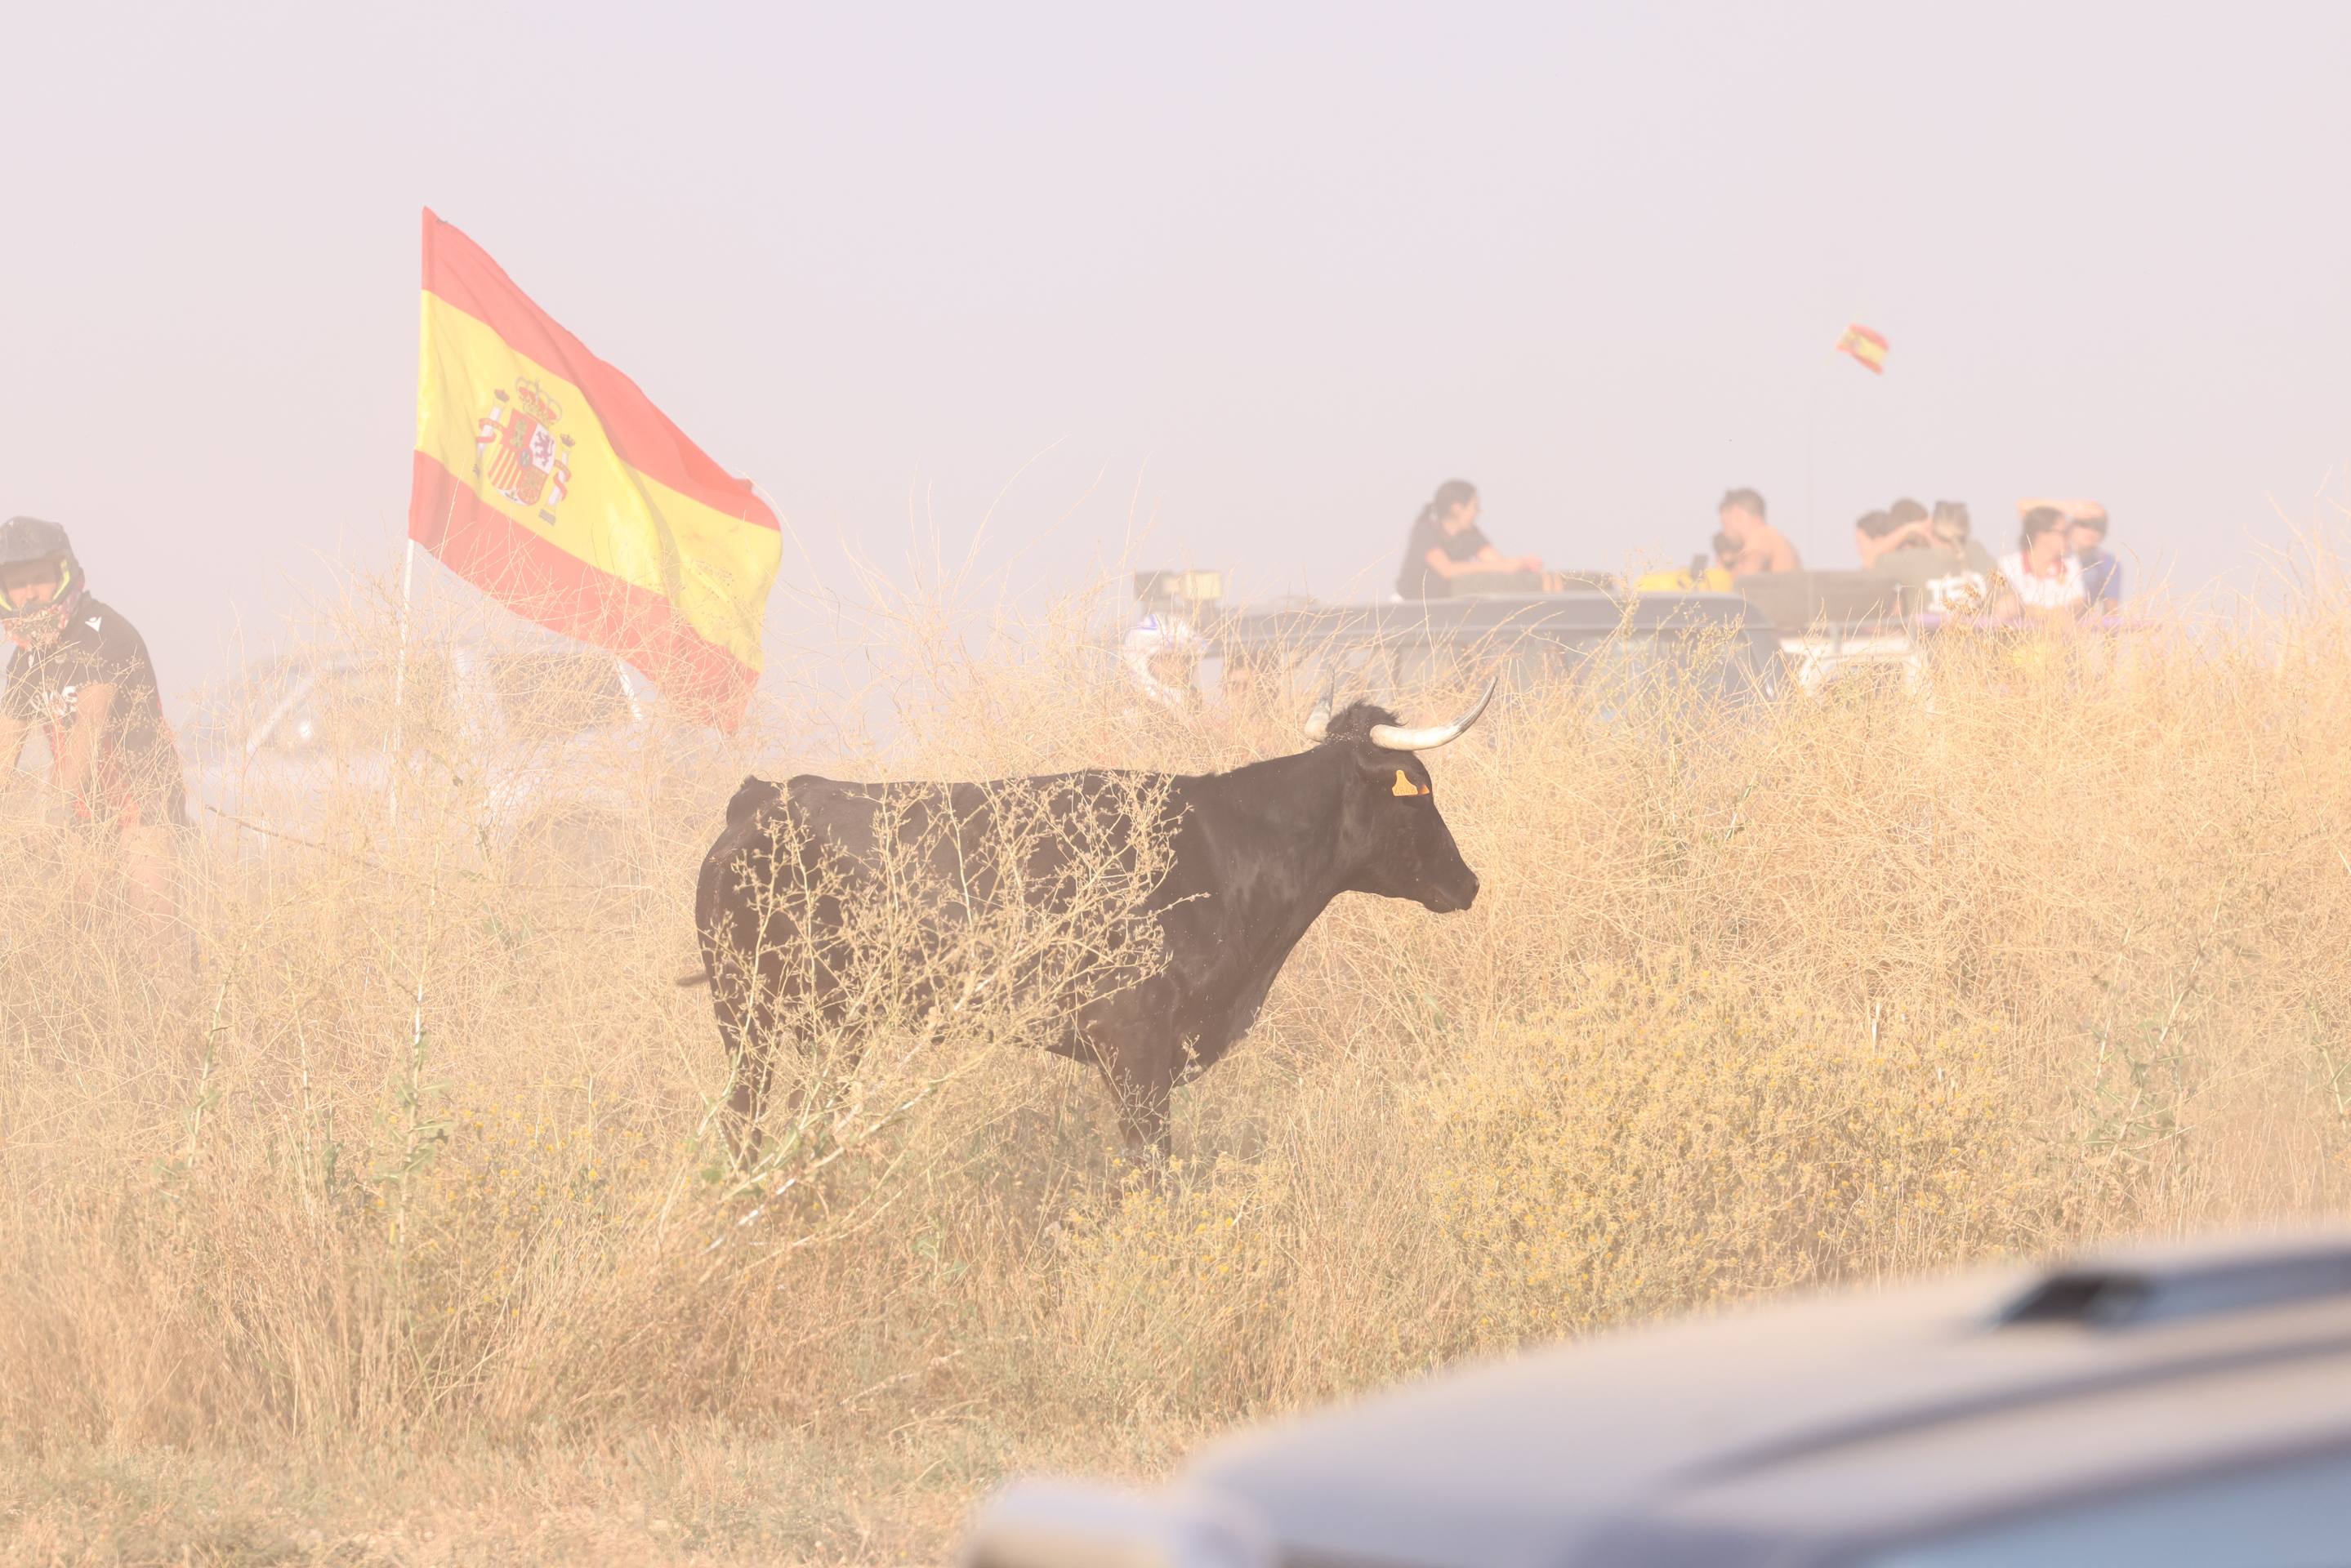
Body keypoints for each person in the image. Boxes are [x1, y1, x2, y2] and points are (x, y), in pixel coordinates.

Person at [0, 516, 187, 927]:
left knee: (155, 938)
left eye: (39, 579)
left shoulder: (105, 633)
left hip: (144, 800)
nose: (29, 594)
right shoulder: (26, 658)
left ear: (65, 576)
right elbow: (6, 743)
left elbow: (89, 727)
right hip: (84, 810)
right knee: (81, 934)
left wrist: (49, 815)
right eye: (18, 583)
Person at [1395, 480, 1550, 599]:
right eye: (1475, 507)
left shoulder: (1470, 533)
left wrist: (1522, 565)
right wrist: (1504, 566)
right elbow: (1447, 570)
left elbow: (1497, 562)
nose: (1478, 512)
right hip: (1413, 605)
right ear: (1457, 508)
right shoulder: (1426, 530)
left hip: (1446, 603)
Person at [1865, 501, 1999, 616]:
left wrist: (1909, 529)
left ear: (1931, 529)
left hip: (1930, 646)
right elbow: (2011, 601)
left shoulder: (1915, 561)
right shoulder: (1978, 552)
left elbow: (1871, 560)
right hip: (1984, 644)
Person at [1997, 506, 2085, 613]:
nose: (2070, 537)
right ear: (2041, 535)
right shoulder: (2007, 565)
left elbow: (2079, 603)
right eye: (2064, 532)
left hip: (2062, 630)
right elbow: (2005, 607)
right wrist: (2049, 616)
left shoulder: (2071, 564)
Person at [1716, 488, 1800, 575]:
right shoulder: (1772, 536)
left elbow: (1747, 579)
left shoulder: (1761, 537)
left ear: (1738, 514)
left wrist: (1723, 575)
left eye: (1725, 524)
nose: (1725, 533)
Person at [1854, 498, 1933, 569]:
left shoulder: (1896, 564)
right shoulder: (1934, 559)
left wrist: (1908, 529)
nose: (1859, 550)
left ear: (1879, 540)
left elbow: (1870, 561)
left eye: (1860, 543)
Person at [2070, 503, 2123, 607]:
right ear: (2070, 525)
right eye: (2084, 524)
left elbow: (2111, 611)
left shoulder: (2108, 563)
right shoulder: (2052, 556)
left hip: (2081, 621)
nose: (2091, 531)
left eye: (2098, 526)